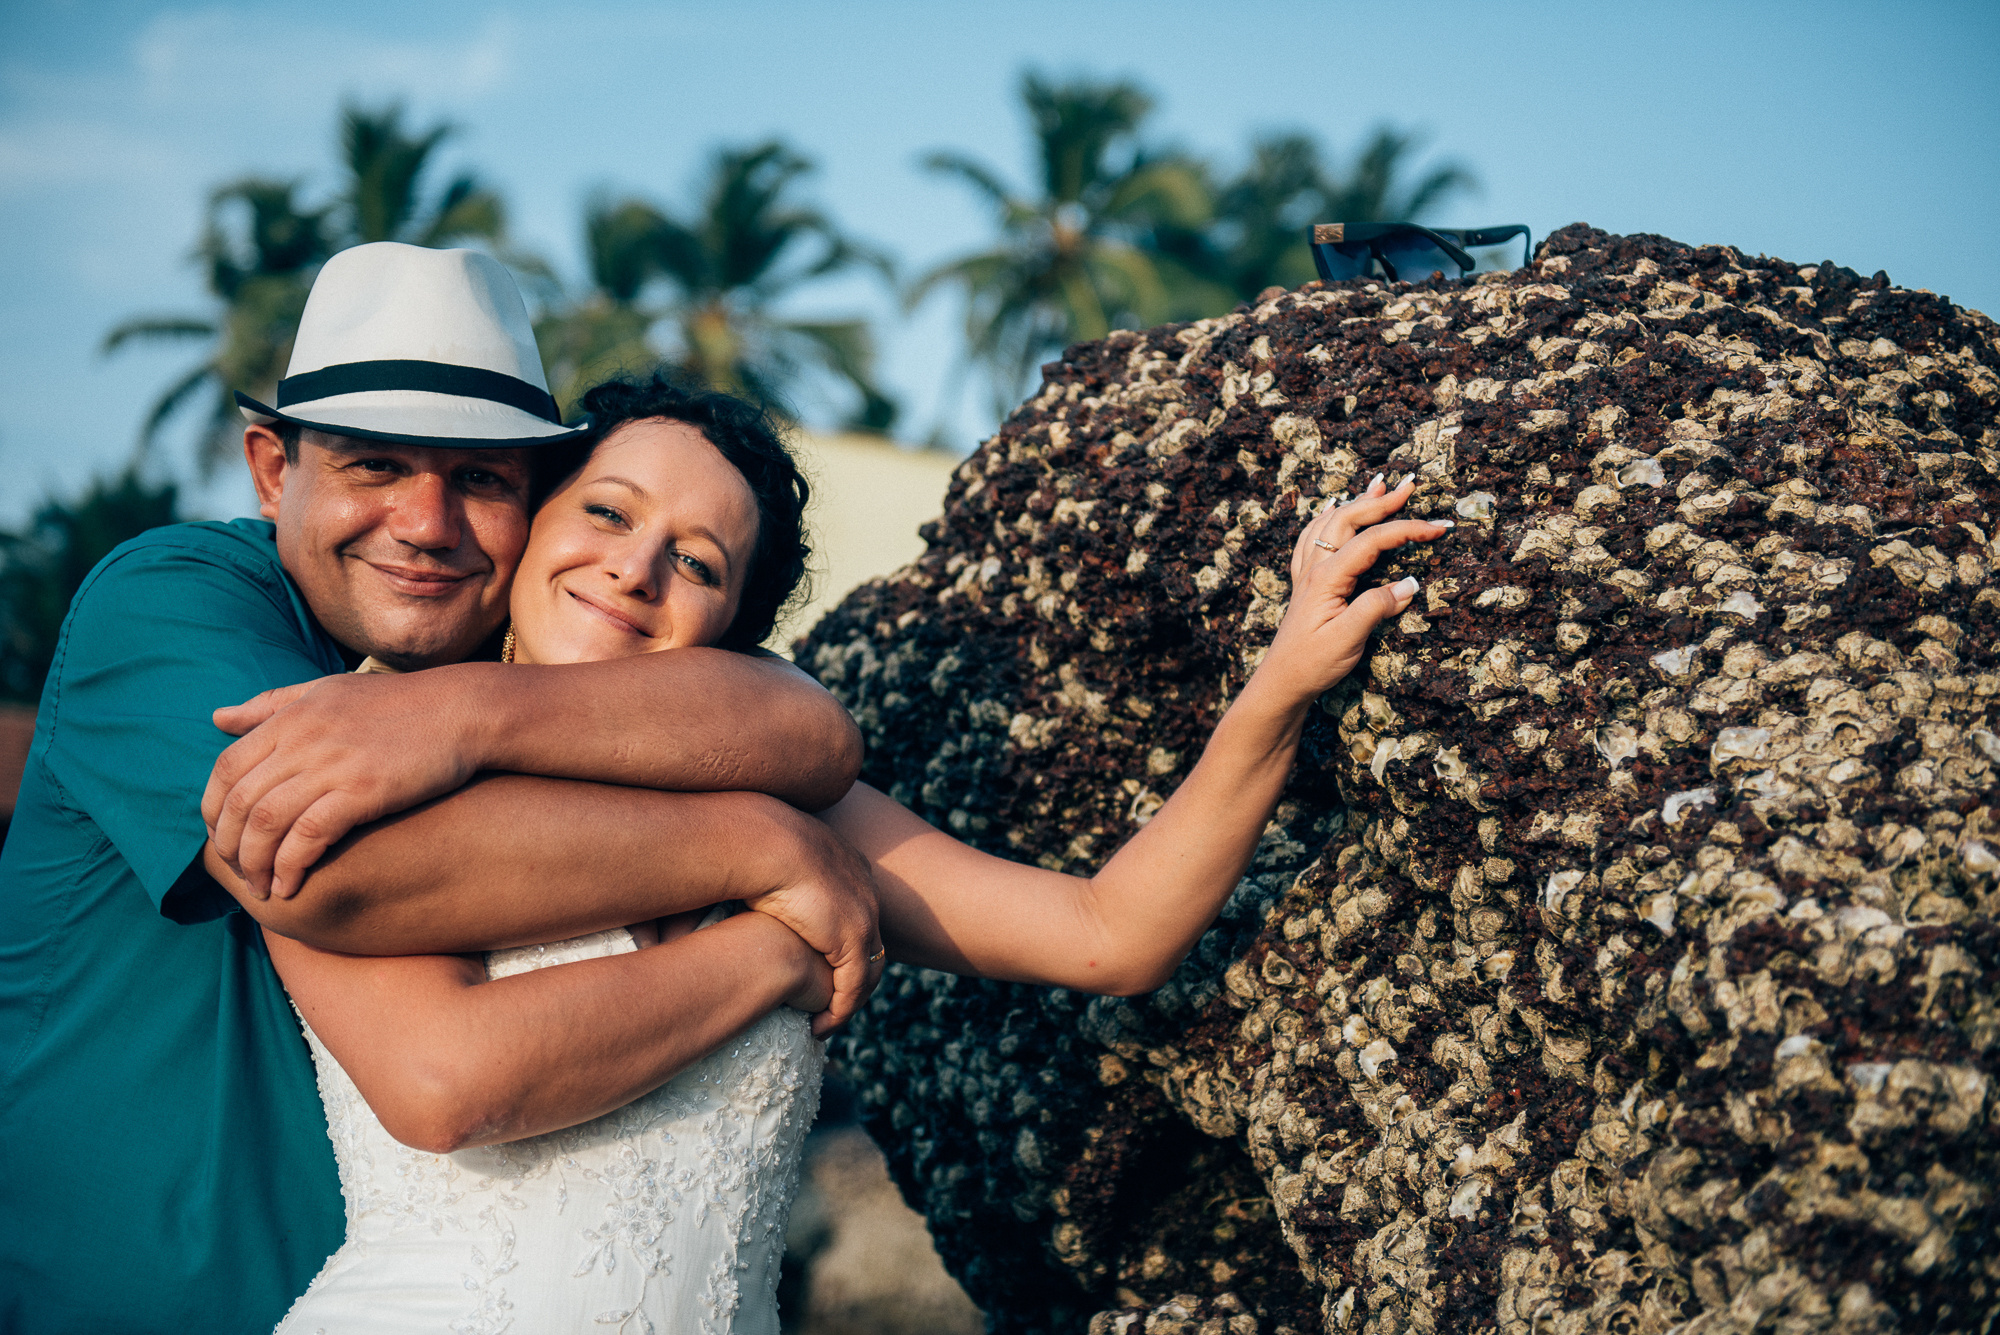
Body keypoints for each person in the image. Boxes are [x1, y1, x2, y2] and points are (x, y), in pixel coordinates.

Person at [235, 368, 1443, 1331]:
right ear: (534, 519)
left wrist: (1281, 682)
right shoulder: (363, 747)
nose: (633, 565)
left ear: (732, 633)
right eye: (604, 511)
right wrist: (772, 955)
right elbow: (451, 1092)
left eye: (697, 561)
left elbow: (1108, 935)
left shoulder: (780, 782)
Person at [0, 243, 880, 1335]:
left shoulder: (487, 671)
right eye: (374, 465)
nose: (426, 523)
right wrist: (770, 863)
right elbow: (338, 875)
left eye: (478, 479)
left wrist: (463, 715)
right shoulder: (177, 601)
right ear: (273, 470)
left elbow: (801, 724)